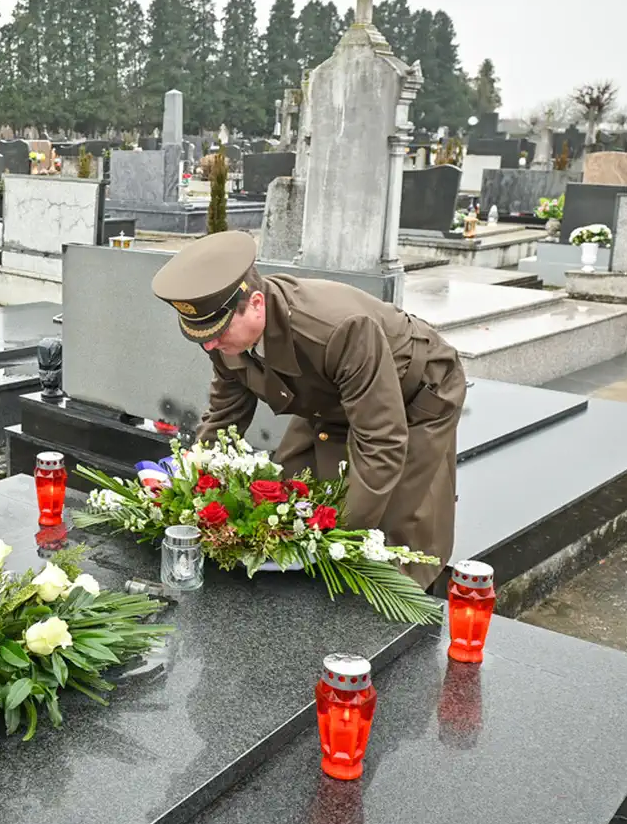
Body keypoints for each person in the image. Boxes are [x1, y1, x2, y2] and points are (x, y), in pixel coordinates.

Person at [149, 230, 466, 590]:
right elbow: (225, 413)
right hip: (331, 395)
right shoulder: (219, 327)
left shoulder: (338, 330)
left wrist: (338, 541)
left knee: (394, 526)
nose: (210, 343)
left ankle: (392, 609)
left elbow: (382, 441)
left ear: (255, 303)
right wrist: (190, 486)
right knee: (291, 492)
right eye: (201, 335)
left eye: (218, 333)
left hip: (416, 396)